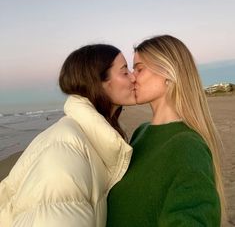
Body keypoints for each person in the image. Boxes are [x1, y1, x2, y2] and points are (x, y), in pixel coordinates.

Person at [0, 44, 136, 227]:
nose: (134, 77)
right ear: (98, 82)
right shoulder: (64, 150)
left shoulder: (93, 138)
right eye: (125, 71)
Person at [107, 35, 226, 226]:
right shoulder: (141, 134)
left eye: (139, 69)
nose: (132, 77)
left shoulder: (188, 145)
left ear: (168, 73)